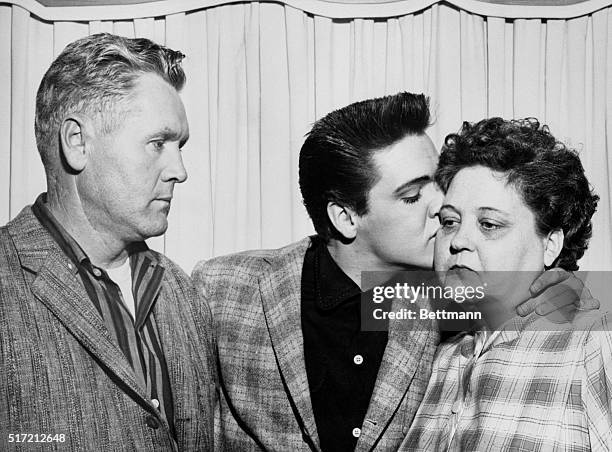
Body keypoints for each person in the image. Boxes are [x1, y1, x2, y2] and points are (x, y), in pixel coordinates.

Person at [192, 94, 588, 451]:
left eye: (438, 186)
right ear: (346, 217)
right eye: (413, 196)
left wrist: (578, 294)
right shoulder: (221, 289)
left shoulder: (459, 300)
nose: (441, 207)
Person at [0, 33, 216, 451]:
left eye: (180, 146)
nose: (180, 171)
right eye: (158, 143)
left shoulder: (183, 293)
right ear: (77, 143)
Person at [401, 117, 611, 450]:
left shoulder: (593, 344)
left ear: (551, 244)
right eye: (449, 221)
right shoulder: (436, 357)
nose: (458, 241)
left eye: (489, 224)